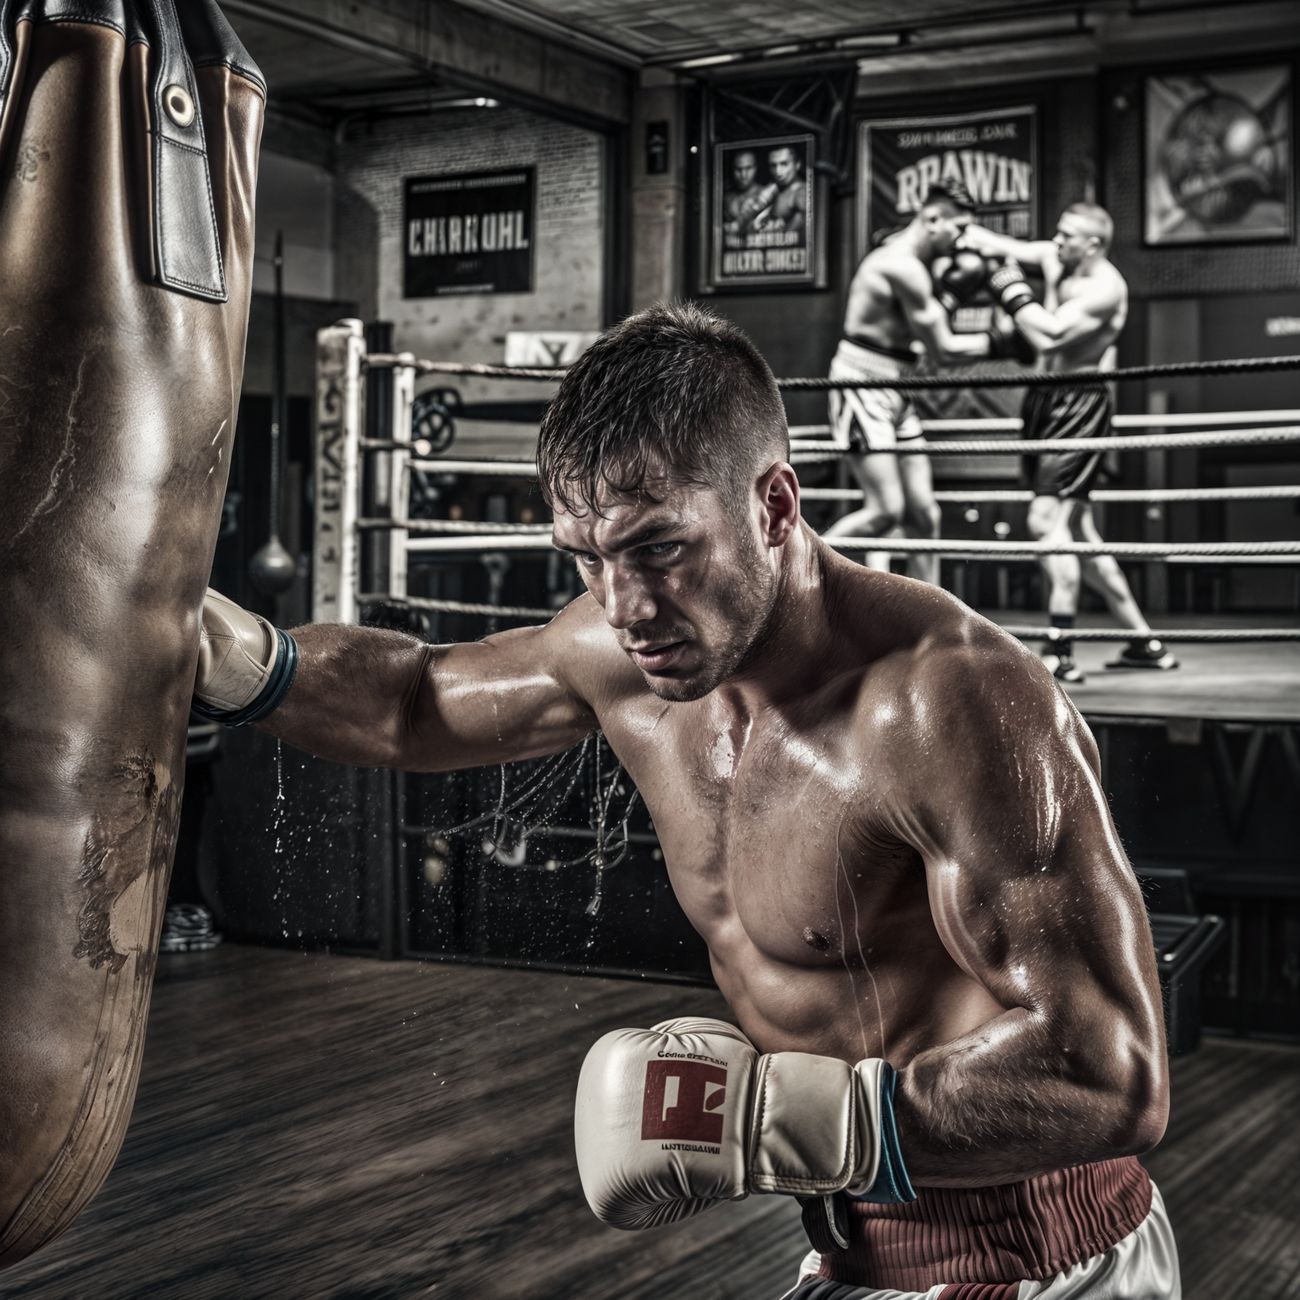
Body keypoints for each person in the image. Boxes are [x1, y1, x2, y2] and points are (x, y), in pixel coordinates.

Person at [195, 303, 1176, 1298]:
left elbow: (1108, 1072)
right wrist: (240, 662)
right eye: (587, 555)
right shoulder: (621, 648)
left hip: (1040, 1260)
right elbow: (415, 699)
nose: (622, 606)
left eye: (659, 548)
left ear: (775, 507)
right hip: (857, 1247)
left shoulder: (951, 704)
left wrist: (772, 1123)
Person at [961, 203, 1179, 682]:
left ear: (1094, 245)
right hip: (1044, 398)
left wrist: (1011, 292)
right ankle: (1145, 643)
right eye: (1057, 233)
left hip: (1079, 403)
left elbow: (1052, 330)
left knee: (1046, 522)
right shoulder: (1058, 257)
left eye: (1068, 237)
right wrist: (961, 233)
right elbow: (1001, 245)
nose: (1056, 243)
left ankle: (1059, 648)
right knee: (1079, 534)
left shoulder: (1106, 288)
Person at [825, 178, 1016, 585]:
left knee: (925, 514)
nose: (963, 240)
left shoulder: (916, 254)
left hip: (896, 384)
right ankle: (787, 581)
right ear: (932, 219)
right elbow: (944, 350)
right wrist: (1002, 343)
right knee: (885, 511)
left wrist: (951, 295)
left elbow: (925, 336)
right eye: (958, 228)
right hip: (861, 381)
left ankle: (927, 619)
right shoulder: (902, 266)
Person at [764, 144, 807, 233]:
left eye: (784, 164)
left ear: (797, 164)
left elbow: (791, 236)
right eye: (773, 165)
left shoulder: (801, 192)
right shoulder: (771, 189)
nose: (778, 172)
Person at [724, 149, 766, 234]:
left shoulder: (765, 194)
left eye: (748, 168)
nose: (743, 175)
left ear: (756, 168)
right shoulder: (727, 198)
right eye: (739, 169)